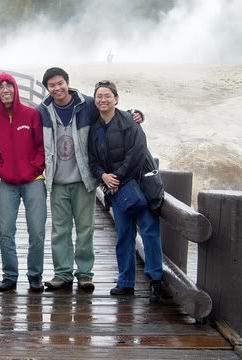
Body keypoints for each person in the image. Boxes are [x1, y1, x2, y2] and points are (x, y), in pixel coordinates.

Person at [37, 67, 143, 291]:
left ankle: (85, 274)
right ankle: (62, 274)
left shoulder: (86, 105)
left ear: (68, 82)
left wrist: (135, 113)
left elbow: (111, 112)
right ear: (47, 88)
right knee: (60, 230)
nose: (57, 88)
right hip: (56, 181)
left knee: (85, 229)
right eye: (52, 85)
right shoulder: (43, 110)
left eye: (60, 83)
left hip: (84, 179)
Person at [88, 80, 163, 303]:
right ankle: (126, 282)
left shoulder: (130, 120)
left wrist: (116, 176)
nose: (103, 100)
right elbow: (92, 159)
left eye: (107, 96)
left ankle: (156, 280)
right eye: (99, 96)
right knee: (123, 235)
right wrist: (103, 175)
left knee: (149, 232)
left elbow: (137, 153)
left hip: (140, 185)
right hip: (117, 189)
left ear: (116, 99)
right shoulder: (94, 129)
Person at [0, 73, 46, 293]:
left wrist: (35, 167)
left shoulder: (31, 115)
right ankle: (10, 275)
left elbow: (42, 147)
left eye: (8, 85)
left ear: (15, 89)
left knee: (37, 231)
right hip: (8, 184)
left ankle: (35, 276)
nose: (5, 90)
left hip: (34, 181)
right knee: (5, 231)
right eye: (0, 87)